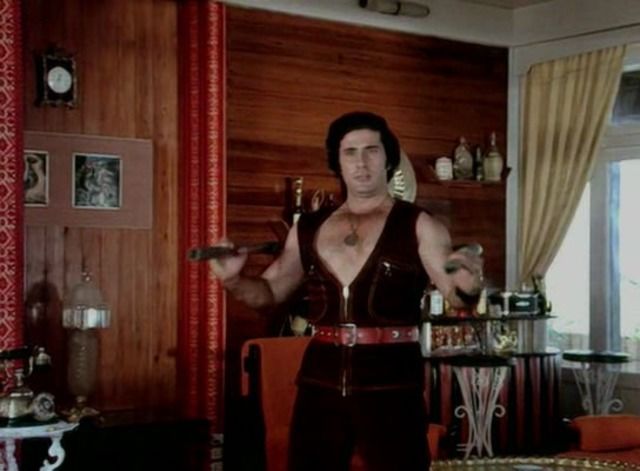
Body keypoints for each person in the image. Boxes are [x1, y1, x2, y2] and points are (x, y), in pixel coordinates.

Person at [210, 111, 484, 471]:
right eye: (350, 152)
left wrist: (470, 284)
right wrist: (233, 280)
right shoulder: (308, 228)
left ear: (389, 159)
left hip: (392, 387)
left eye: (372, 150)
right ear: (337, 162)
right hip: (319, 384)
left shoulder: (419, 225)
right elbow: (269, 293)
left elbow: (458, 297)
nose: (361, 162)